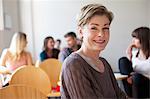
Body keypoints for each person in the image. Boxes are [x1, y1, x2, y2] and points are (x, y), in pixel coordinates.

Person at [61, 4, 127, 99]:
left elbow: (121, 96)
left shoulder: (104, 63)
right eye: (94, 28)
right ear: (80, 32)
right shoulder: (73, 64)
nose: (101, 34)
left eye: (105, 28)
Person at [126, 27, 150, 98]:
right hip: (133, 84)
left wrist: (137, 76)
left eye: (135, 38)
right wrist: (128, 53)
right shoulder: (134, 53)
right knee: (123, 61)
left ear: (143, 39)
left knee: (136, 77)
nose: (133, 41)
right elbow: (128, 69)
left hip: (147, 86)